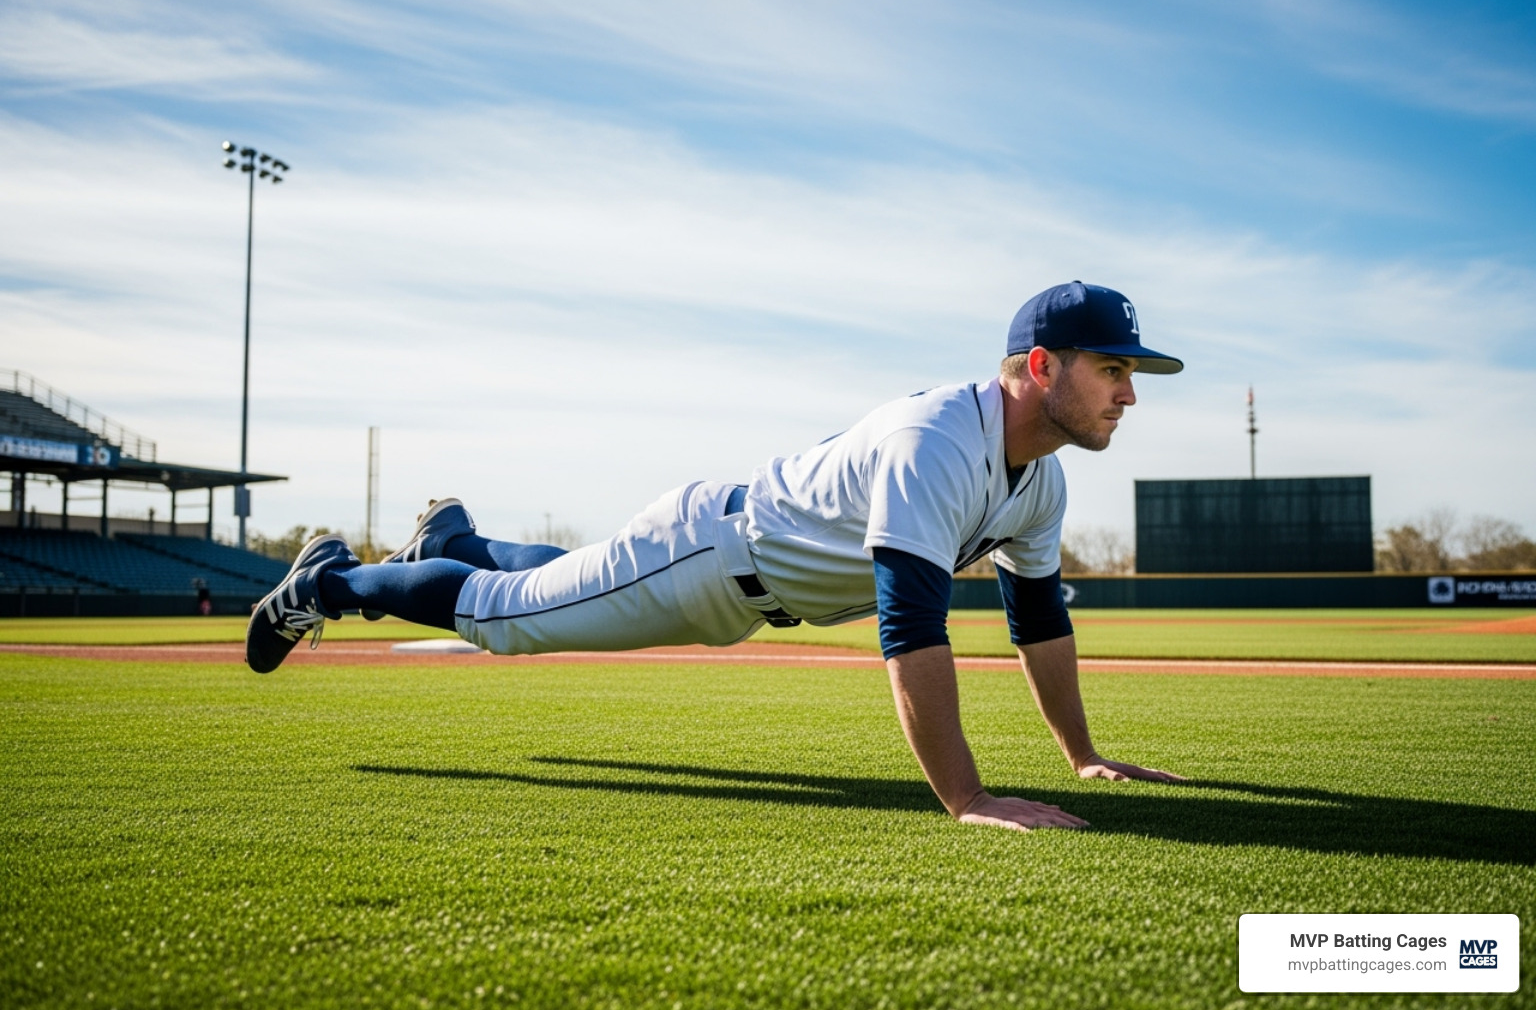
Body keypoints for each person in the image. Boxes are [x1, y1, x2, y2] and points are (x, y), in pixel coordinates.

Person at [247, 281, 1186, 831]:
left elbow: (1038, 621)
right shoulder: (939, 438)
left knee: (542, 584)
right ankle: (327, 579)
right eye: (1111, 369)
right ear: (1038, 367)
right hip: (708, 554)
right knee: (504, 620)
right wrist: (968, 796)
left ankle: (453, 540)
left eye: (1129, 374)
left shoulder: (1042, 481)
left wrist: (1083, 755)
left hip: (740, 582)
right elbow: (909, 625)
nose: (1127, 395)